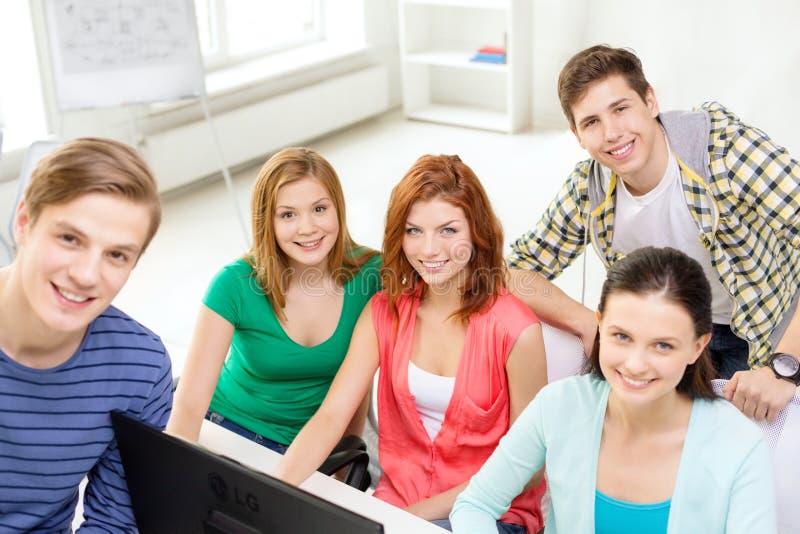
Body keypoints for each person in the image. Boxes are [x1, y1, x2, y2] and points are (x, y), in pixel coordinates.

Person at [507, 44, 800, 422]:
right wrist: (584, 321)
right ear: (577, 135)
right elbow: (514, 271)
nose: (612, 133)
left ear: (650, 100)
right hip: (674, 336)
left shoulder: (724, 152)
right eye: (591, 122)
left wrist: (784, 368)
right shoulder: (589, 188)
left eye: (621, 109)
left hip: (766, 335)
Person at [276, 154, 548, 533]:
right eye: (414, 231)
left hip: (489, 514)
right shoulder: (383, 313)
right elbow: (330, 418)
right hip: (396, 505)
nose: (429, 250)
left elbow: (529, 469)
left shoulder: (517, 330)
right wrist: (272, 495)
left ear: (477, 232)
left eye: (448, 231)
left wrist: (417, 517)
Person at [452, 247, 777, 534]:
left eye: (662, 345)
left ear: (697, 347)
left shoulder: (738, 445)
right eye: (621, 336)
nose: (635, 364)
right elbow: (475, 505)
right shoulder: (558, 405)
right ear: (600, 324)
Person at [0, 138, 173, 531]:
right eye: (69, 239)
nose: (86, 275)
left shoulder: (140, 367)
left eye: (116, 255)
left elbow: (115, 521)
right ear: (24, 222)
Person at [167, 147, 381, 453]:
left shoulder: (372, 276)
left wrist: (346, 456)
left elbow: (360, 384)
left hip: (309, 450)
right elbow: (188, 406)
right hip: (225, 427)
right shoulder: (234, 283)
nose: (307, 228)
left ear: (338, 209)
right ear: (268, 221)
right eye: (288, 214)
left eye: (319, 209)